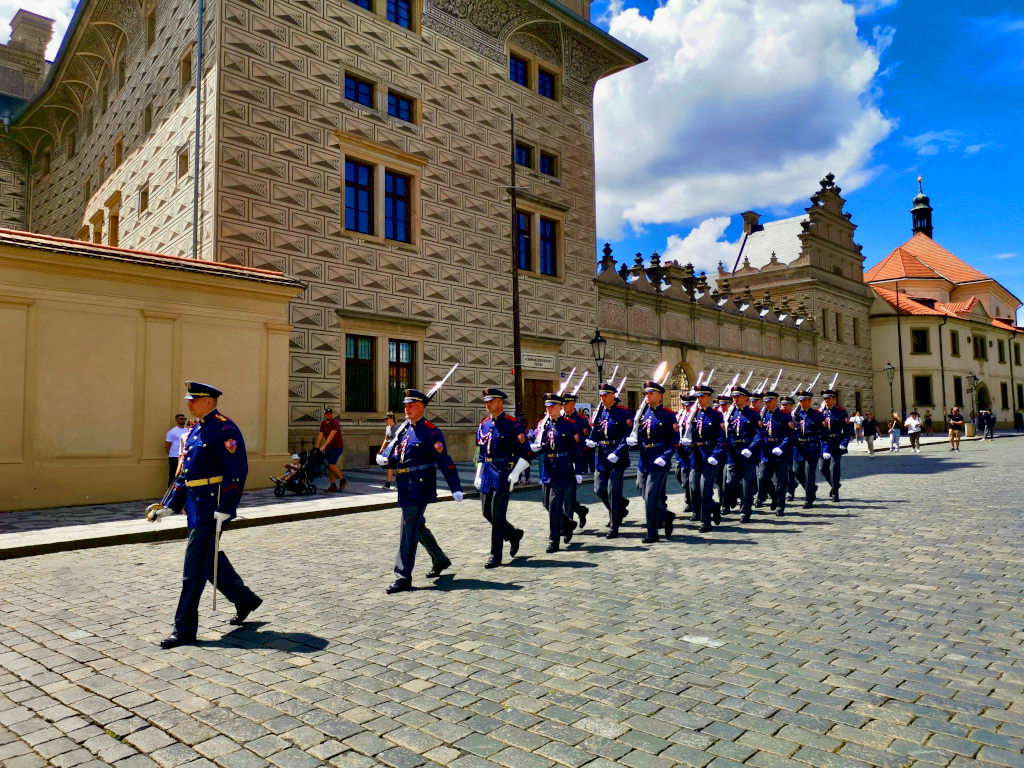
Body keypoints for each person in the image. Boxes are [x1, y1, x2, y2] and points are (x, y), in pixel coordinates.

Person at [158, 381, 262, 649]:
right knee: (208, 560)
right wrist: (171, 504)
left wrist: (227, 506)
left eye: (194, 399)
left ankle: (184, 629)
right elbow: (186, 473)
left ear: (209, 401)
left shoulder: (225, 428)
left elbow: (237, 470)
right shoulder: (196, 430)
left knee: (193, 568)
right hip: (195, 506)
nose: (188, 403)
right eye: (188, 399)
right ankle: (246, 599)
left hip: (212, 507)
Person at [377, 389, 464, 594]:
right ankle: (439, 559)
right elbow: (400, 456)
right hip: (405, 484)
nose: (406, 408)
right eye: (405, 405)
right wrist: (385, 461)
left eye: (411, 405)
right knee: (417, 526)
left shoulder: (430, 431)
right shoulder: (405, 429)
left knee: (408, 527)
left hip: (420, 485)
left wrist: (456, 487)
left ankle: (403, 576)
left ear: (422, 407)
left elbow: (445, 461)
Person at [474, 388, 528, 568]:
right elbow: (481, 453)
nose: (487, 404)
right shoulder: (484, 425)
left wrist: (515, 473)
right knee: (486, 512)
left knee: (497, 515)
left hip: (504, 472)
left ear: (500, 402)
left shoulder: (512, 424)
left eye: (491, 401)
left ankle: (495, 555)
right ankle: (513, 534)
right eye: (486, 401)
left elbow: (526, 453)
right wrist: (478, 474)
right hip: (488, 472)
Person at [627, 380, 678, 543]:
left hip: (659, 459)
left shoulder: (669, 415)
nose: (647, 396)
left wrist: (665, 456)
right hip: (644, 459)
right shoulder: (641, 414)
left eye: (650, 393)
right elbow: (638, 434)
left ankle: (652, 533)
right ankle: (665, 514)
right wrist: (633, 440)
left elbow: (674, 440)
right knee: (640, 487)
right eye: (646, 394)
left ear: (659, 395)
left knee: (650, 495)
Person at [532, 393, 582, 553]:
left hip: (563, 468)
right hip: (548, 467)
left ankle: (554, 540)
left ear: (560, 407)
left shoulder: (569, 425)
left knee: (554, 504)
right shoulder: (543, 425)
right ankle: (567, 523)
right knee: (546, 503)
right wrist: (536, 447)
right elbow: (542, 444)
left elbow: (576, 450)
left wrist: (578, 470)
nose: (549, 409)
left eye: (552, 406)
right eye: (547, 406)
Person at [587, 381, 632, 539]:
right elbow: (596, 431)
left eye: (606, 395)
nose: (603, 398)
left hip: (617, 456)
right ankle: (620, 508)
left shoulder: (623, 413)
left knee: (613, 491)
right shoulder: (599, 412)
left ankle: (614, 526)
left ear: (613, 396)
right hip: (602, 455)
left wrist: (618, 452)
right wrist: (592, 441)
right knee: (599, 489)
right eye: (601, 396)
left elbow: (627, 436)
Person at [683, 384, 726, 532]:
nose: (699, 399)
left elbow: (722, 438)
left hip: (709, 455)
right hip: (696, 455)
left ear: (709, 397)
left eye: (702, 396)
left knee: (705, 488)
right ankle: (713, 506)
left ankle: (705, 522)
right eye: (698, 397)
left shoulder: (716, 415)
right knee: (694, 488)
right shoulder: (692, 414)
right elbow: (687, 432)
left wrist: (715, 454)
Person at [723, 385, 763, 524]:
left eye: (738, 396)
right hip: (733, 452)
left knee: (747, 484)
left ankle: (745, 512)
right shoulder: (730, 414)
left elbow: (759, 435)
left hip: (747, 453)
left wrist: (750, 449)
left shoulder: (753, 414)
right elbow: (727, 433)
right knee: (731, 480)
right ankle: (739, 498)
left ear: (745, 398)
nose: (735, 399)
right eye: (734, 396)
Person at [757, 390, 792, 516]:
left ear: (775, 401)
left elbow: (790, 435)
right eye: (765, 401)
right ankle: (774, 498)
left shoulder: (785, 416)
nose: (766, 404)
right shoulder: (762, 415)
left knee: (780, 481)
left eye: (769, 401)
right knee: (763, 478)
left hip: (779, 453)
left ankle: (780, 506)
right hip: (766, 452)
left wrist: (781, 447)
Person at [561, 393, 591, 530]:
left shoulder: (581, 420)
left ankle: (567, 525)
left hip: (574, 459)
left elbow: (585, 439)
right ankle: (580, 510)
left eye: (566, 403)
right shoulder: (559, 418)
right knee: (562, 494)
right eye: (562, 403)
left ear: (573, 404)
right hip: (561, 460)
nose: (563, 406)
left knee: (568, 494)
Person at [819, 388, 852, 502]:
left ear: (834, 399)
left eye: (828, 398)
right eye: (825, 399)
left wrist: (844, 442)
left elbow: (848, 429)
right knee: (822, 468)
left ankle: (835, 493)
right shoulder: (821, 412)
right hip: (824, 443)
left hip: (837, 443)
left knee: (834, 468)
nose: (826, 400)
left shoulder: (841, 412)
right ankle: (835, 485)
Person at [792, 391, 824, 509]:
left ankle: (808, 499)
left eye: (805, 400)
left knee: (809, 473)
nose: (802, 403)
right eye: (800, 401)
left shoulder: (817, 415)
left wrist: (825, 449)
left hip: (812, 446)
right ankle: (811, 488)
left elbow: (823, 432)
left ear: (810, 401)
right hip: (799, 446)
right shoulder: (796, 414)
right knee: (797, 471)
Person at [316, 407, 346, 492]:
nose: (328, 415)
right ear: (324, 414)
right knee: (328, 466)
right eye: (326, 414)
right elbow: (321, 435)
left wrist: (324, 446)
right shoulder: (323, 423)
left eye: (329, 414)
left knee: (330, 464)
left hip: (337, 447)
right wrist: (317, 446)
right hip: (329, 447)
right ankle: (333, 485)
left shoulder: (335, 423)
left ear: (332, 414)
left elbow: (331, 436)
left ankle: (342, 479)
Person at [164, 414, 189, 487]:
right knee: (173, 476)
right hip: (174, 457)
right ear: (177, 420)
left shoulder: (186, 430)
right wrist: (171, 454)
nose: (183, 420)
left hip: (184, 457)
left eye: (184, 419)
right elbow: (167, 445)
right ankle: (170, 495)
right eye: (181, 419)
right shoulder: (172, 432)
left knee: (183, 476)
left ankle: (179, 494)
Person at [380, 412, 397, 490]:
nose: (385, 420)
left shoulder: (397, 427)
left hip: (396, 448)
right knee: (388, 465)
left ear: (392, 418)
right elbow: (386, 439)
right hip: (389, 448)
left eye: (387, 419)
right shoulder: (387, 428)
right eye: (385, 419)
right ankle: (388, 484)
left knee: (397, 466)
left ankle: (398, 483)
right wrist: (382, 449)